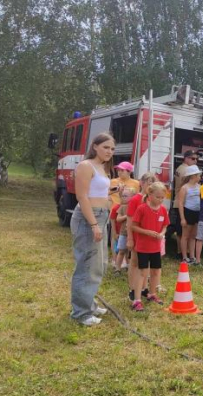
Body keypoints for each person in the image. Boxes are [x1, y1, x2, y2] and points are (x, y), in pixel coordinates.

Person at [69, 132, 115, 326]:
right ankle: (81, 312)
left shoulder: (102, 167)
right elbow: (82, 196)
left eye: (112, 149)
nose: (109, 152)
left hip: (101, 216)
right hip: (90, 218)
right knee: (87, 265)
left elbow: (98, 192)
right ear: (95, 146)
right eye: (106, 147)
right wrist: (94, 224)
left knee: (98, 265)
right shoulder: (85, 166)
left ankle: (90, 303)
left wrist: (110, 197)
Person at [130, 182, 169, 311]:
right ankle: (136, 299)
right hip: (143, 247)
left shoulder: (163, 210)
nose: (160, 200)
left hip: (156, 247)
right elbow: (133, 226)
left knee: (155, 271)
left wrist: (162, 233)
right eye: (158, 197)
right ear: (150, 195)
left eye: (163, 197)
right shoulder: (142, 208)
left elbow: (165, 225)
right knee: (142, 272)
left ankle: (152, 294)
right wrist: (147, 232)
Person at [126, 172, 157, 302]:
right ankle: (132, 289)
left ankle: (143, 288)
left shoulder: (152, 199)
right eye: (148, 183)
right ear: (142, 183)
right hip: (136, 235)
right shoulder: (135, 199)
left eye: (152, 184)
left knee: (146, 264)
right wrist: (130, 238)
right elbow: (129, 221)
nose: (149, 186)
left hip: (148, 237)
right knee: (134, 262)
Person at [108, 161, 140, 264]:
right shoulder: (113, 181)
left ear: (129, 171)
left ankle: (126, 259)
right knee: (114, 234)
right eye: (118, 170)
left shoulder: (136, 183)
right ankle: (114, 258)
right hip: (115, 209)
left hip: (129, 210)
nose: (119, 172)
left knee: (125, 233)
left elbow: (137, 197)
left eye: (122, 170)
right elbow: (107, 193)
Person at [177, 164, 202, 264]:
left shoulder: (200, 187)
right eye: (198, 175)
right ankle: (184, 256)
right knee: (185, 235)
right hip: (188, 212)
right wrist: (182, 218)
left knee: (193, 235)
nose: (200, 177)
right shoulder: (185, 188)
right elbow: (180, 203)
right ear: (193, 176)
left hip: (197, 212)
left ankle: (192, 256)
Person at [111, 186, 135, 272]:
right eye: (122, 196)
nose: (123, 197)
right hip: (123, 233)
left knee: (132, 253)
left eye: (125, 196)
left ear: (133, 197)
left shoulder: (136, 207)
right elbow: (118, 219)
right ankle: (117, 268)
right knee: (121, 251)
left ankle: (129, 266)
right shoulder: (122, 207)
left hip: (134, 234)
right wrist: (127, 216)